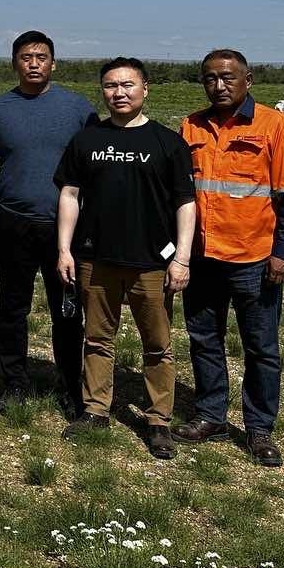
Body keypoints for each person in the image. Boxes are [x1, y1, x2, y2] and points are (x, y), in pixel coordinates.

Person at [173, 49, 284, 467]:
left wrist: (283, 252)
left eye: (228, 77)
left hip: (255, 258)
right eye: (210, 78)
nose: (219, 85)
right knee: (204, 340)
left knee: (261, 348)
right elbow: (181, 193)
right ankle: (211, 415)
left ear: (248, 79)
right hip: (202, 256)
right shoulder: (191, 126)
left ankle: (259, 429)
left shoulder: (276, 126)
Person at [55, 58, 196, 460]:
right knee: (97, 339)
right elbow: (69, 195)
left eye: (128, 85)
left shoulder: (168, 143)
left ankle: (158, 420)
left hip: (152, 263)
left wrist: (181, 258)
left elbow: (186, 203)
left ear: (145, 89)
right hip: (95, 259)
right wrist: (64, 249)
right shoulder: (87, 140)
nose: (119, 93)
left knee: (158, 344)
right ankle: (96, 409)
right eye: (110, 86)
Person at [0, 31, 96, 416]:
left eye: (41, 56)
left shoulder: (77, 108)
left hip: (65, 229)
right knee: (12, 306)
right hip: (14, 224)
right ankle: (15, 382)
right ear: (15, 63)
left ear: (53, 63)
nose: (34, 63)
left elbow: (95, 164)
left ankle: (72, 384)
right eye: (26, 57)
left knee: (67, 309)